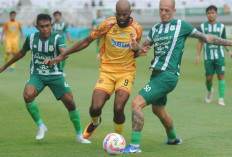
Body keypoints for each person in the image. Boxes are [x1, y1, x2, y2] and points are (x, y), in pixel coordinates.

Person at [123, 0, 232, 154]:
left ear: (174, 11)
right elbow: (141, 51)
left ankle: (134, 146)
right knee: (158, 110)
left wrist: (230, 42)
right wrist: (136, 48)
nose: (163, 13)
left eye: (167, 10)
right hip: (156, 75)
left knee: (136, 103)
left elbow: (206, 38)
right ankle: (173, 138)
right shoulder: (155, 29)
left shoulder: (182, 26)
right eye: (161, 10)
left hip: (168, 76)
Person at [45, 0, 147, 139]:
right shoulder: (107, 24)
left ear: (130, 13)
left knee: (118, 107)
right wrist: (62, 54)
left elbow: (135, 52)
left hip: (126, 73)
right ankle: (95, 121)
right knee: (95, 108)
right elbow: (87, 41)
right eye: (118, 14)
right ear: (115, 13)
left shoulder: (137, 29)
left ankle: (118, 138)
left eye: (124, 15)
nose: (121, 18)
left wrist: (137, 50)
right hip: (107, 72)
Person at [0, 14, 90, 144]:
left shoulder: (57, 38)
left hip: (55, 75)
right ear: (37, 27)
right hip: (37, 75)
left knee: (70, 102)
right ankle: (41, 126)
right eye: (42, 26)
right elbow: (21, 53)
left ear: (51, 26)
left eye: (47, 26)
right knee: (27, 94)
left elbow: (64, 53)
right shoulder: (31, 39)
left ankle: (79, 136)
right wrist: (4, 66)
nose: (45, 29)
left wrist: (54, 60)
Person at [195, 5, 232, 106]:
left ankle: (221, 98)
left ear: (216, 14)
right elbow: (200, 42)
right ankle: (210, 90)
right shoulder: (202, 26)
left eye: (213, 13)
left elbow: (224, 40)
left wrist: (228, 51)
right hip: (208, 57)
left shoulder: (221, 27)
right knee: (209, 78)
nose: (211, 15)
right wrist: (197, 55)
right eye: (209, 13)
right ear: (206, 14)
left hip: (219, 56)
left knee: (221, 76)